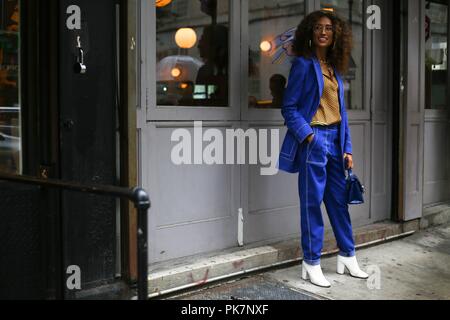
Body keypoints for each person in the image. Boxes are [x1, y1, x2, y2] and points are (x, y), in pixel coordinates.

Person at [278, 10, 368, 288]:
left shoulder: (332, 67)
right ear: (310, 32)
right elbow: (289, 108)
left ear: (335, 34)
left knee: (338, 203)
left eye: (328, 27)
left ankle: (348, 255)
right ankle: (312, 261)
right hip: (314, 139)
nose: (323, 31)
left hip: (336, 141)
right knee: (312, 204)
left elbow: (342, 112)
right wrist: (308, 138)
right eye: (317, 27)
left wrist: (348, 148)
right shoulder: (304, 65)